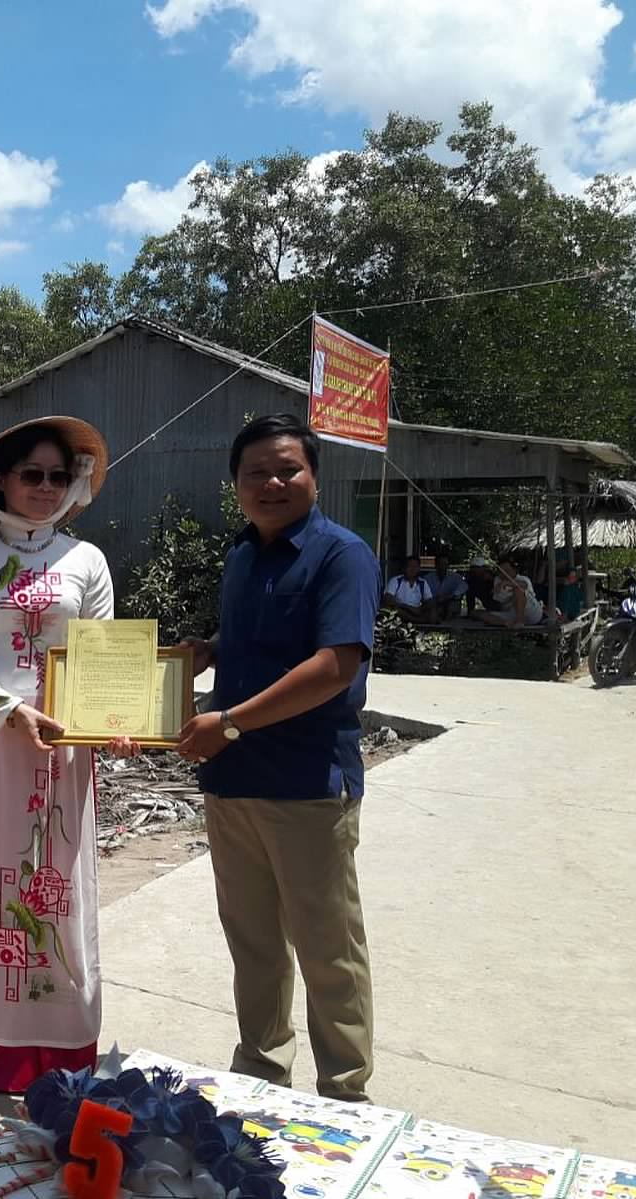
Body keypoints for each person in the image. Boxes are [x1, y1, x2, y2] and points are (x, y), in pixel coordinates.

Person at [176, 413, 380, 1103]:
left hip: (305, 785)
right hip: (232, 782)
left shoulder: (341, 555)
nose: (271, 483)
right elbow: (260, 640)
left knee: (328, 948)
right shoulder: (241, 555)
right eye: (255, 471)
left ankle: (346, 1091)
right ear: (235, 483)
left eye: (287, 469)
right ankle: (262, 1072)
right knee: (254, 942)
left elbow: (333, 666)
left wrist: (230, 722)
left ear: (314, 475)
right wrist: (210, 650)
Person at [0, 416, 137, 1093]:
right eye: (32, 474)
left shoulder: (88, 561)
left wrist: (117, 721)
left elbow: (104, 655)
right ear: (1, 480)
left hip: (66, 746)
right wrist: (8, 710)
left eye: (58, 475)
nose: (46, 487)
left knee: (63, 876)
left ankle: (66, 1040)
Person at [477, 553, 545, 627]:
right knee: (482, 615)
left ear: (514, 570)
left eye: (507, 571)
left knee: (518, 591)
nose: (504, 574)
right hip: (511, 613)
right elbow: (499, 600)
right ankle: (507, 623)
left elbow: (524, 585)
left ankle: (520, 622)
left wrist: (506, 583)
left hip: (531, 613)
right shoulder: (497, 580)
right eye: (501, 572)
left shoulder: (523, 578)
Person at [382, 555, 434, 622]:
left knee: (433, 611)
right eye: (410, 566)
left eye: (415, 567)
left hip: (417, 611)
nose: (412, 569)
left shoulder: (423, 582)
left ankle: (420, 621)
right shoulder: (396, 580)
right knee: (394, 610)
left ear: (419, 569)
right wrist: (408, 607)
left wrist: (421, 608)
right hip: (401, 610)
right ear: (404, 568)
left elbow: (430, 601)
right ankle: (417, 621)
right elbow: (388, 599)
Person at [428, 553, 468, 621]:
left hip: (450, 604)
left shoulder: (455, 577)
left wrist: (450, 595)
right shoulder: (428, 578)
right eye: (440, 564)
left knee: (453, 604)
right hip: (434, 604)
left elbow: (464, 586)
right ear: (436, 565)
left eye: (445, 564)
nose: (442, 567)